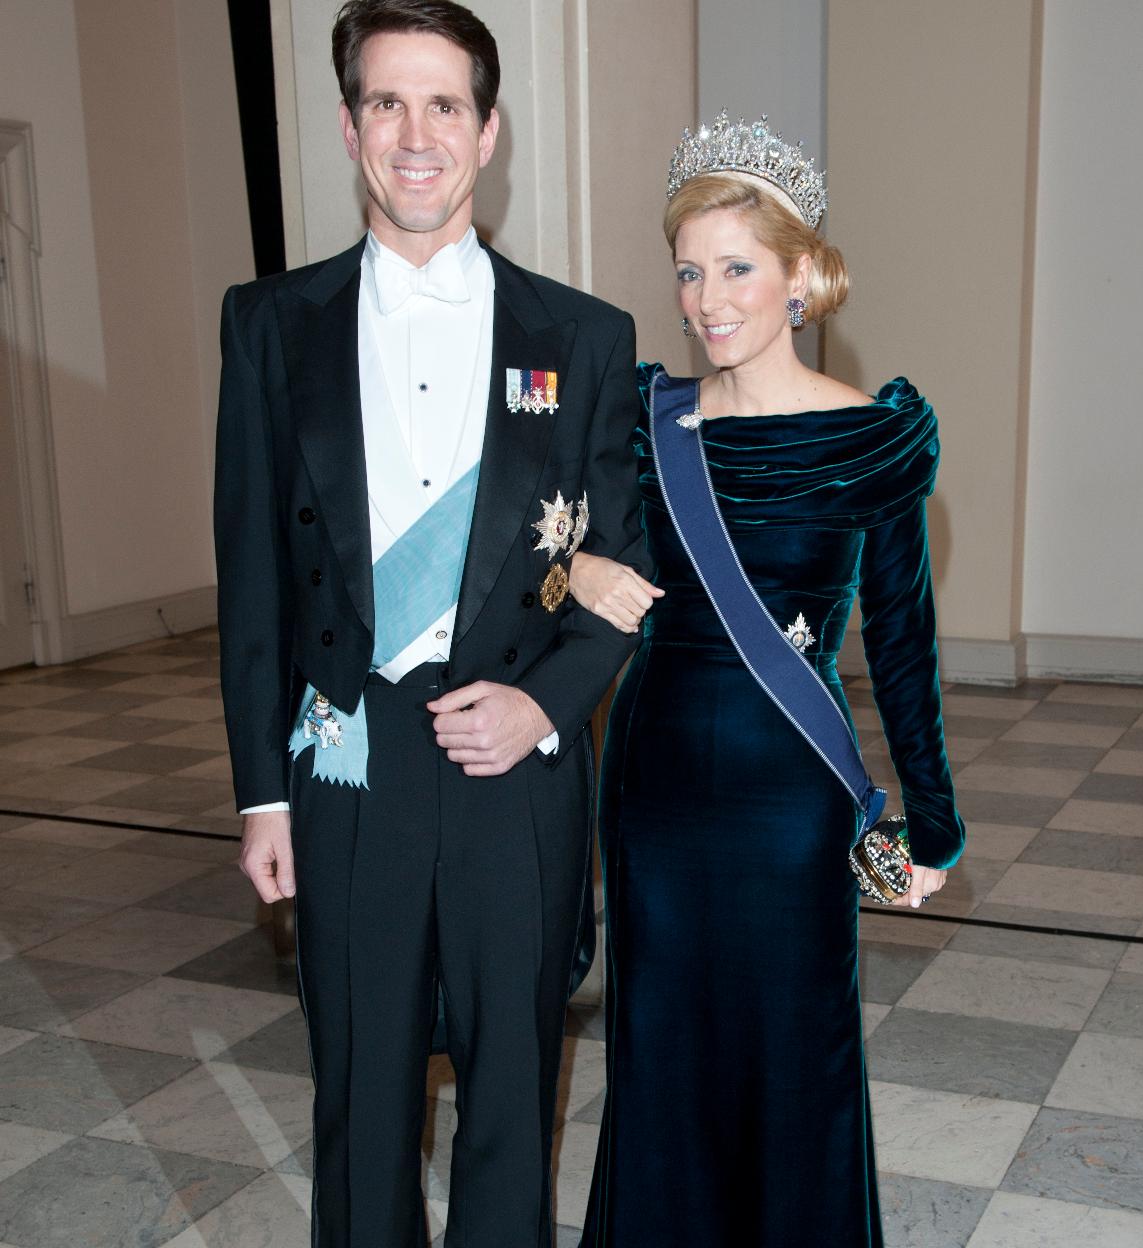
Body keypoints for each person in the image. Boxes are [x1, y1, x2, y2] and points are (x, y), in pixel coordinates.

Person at [212, 2, 648, 1244]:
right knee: (360, 1088)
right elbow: (249, 578)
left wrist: (546, 704)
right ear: (351, 127)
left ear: (488, 130)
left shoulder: (587, 336)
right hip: (345, 762)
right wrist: (262, 794)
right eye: (388, 103)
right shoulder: (267, 325)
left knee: (514, 1083)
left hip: (515, 757)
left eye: (444, 104)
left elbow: (623, 563)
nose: (418, 134)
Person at [569, 114, 966, 1246]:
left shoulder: (873, 440)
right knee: (662, 1051)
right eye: (689, 272)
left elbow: (901, 643)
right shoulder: (650, 425)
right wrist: (577, 569)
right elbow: (531, 542)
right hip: (652, 787)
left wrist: (929, 826)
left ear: (801, 275)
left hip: (792, 798)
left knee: (797, 1051)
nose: (707, 299)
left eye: (737, 267)